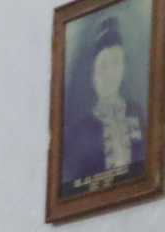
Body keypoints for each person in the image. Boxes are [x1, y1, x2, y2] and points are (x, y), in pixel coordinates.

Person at [63, 12, 146, 193]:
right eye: (103, 66)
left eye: (115, 63)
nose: (109, 74)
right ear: (93, 77)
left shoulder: (137, 113)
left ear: (123, 69)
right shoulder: (82, 130)